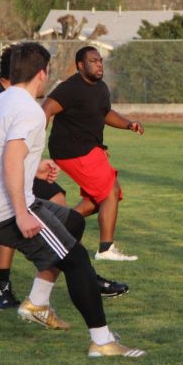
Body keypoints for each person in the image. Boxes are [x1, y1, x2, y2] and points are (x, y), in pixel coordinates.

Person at [0, 42, 145, 358]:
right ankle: (103, 341)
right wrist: (22, 213)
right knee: (77, 260)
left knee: (73, 221)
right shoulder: (28, 111)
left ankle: (38, 302)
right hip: (6, 211)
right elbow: (10, 157)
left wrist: (35, 166)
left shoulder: (0, 102)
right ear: (43, 73)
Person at [0, 46, 128, 310]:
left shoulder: (20, 99)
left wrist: (35, 167)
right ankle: (0, 290)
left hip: (10, 169)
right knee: (2, 213)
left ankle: (75, 266)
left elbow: (13, 153)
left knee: (57, 198)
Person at [42, 46, 142, 262]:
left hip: (91, 148)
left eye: (100, 61)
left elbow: (105, 113)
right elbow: (47, 108)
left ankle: (59, 226)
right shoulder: (70, 88)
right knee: (109, 193)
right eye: (93, 61)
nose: (99, 64)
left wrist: (128, 124)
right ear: (80, 65)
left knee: (104, 197)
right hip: (72, 150)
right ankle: (105, 249)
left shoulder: (101, 88)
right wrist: (33, 142)